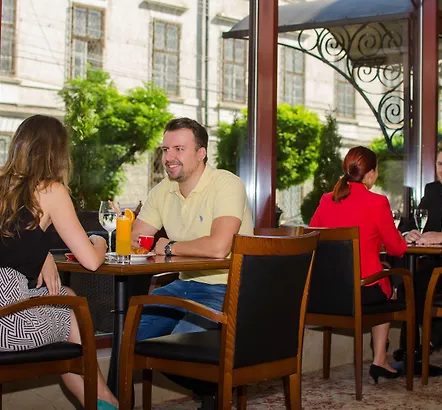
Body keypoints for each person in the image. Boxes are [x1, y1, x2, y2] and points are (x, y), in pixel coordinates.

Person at [0, 115, 118, 410]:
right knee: (74, 307)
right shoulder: (50, 190)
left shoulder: (3, 186)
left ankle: (102, 400)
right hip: (10, 322)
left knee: (66, 296)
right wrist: (99, 241)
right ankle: (103, 400)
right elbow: (91, 261)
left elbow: (11, 242)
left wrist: (43, 256)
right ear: (57, 153)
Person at [132, 117, 253, 341]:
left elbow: (219, 247)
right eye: (165, 149)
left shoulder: (226, 184)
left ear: (201, 153)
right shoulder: (162, 190)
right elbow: (136, 239)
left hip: (226, 288)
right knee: (129, 335)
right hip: (182, 284)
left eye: (179, 149)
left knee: (179, 345)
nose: (168, 157)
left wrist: (169, 247)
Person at [310, 146, 407, 383]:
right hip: (361, 290)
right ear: (371, 173)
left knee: (383, 276)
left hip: (325, 292)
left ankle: (380, 360)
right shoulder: (377, 202)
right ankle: (380, 360)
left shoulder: (326, 199)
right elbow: (398, 249)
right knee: (390, 283)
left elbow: (310, 239)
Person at [396, 138, 442, 374]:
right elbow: (412, 222)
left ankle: (424, 347)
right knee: (409, 284)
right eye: (440, 164)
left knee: (429, 285)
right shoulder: (432, 190)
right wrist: (409, 233)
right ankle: (411, 351)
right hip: (435, 265)